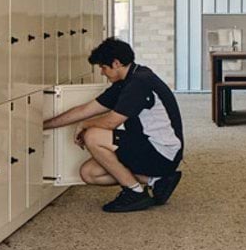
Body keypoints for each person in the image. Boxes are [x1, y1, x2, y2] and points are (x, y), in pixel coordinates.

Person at [43, 38, 184, 214]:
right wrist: (41, 126)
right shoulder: (127, 81)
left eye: (103, 67)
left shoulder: (139, 82)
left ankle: (134, 192)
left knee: (93, 136)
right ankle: (155, 180)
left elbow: (111, 122)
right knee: (89, 173)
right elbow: (85, 110)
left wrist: (84, 125)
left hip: (162, 153)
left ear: (116, 63)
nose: (102, 72)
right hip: (150, 148)